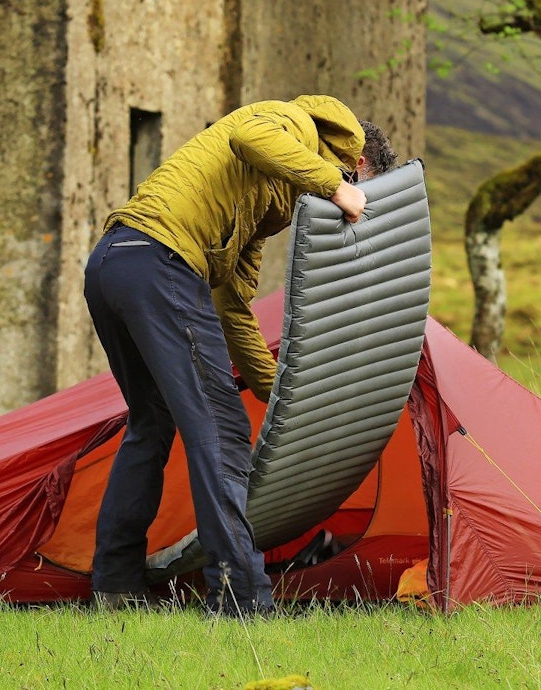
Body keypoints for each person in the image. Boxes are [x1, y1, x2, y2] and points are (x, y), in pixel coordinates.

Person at [83, 95, 396, 616]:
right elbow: (251, 139)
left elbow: (231, 307)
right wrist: (336, 188)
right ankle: (240, 596)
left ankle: (115, 585)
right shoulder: (291, 120)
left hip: (114, 266)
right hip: (160, 262)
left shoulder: (267, 201)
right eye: (357, 187)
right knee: (222, 429)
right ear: (358, 164)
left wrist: (278, 389)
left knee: (151, 425)